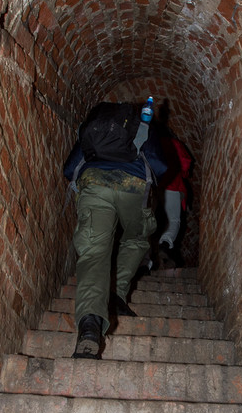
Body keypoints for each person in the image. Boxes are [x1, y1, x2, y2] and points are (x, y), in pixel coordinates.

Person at [64, 101, 166, 358]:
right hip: (133, 186)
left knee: (94, 253)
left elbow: (69, 168)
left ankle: (89, 325)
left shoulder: (91, 128)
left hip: (94, 185)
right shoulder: (144, 124)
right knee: (137, 237)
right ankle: (118, 293)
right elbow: (161, 165)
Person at [155, 111, 192, 269]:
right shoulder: (175, 143)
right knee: (174, 220)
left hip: (155, 186)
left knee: (156, 219)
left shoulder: (154, 143)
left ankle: (150, 255)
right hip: (173, 185)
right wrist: (183, 174)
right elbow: (186, 162)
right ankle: (165, 243)